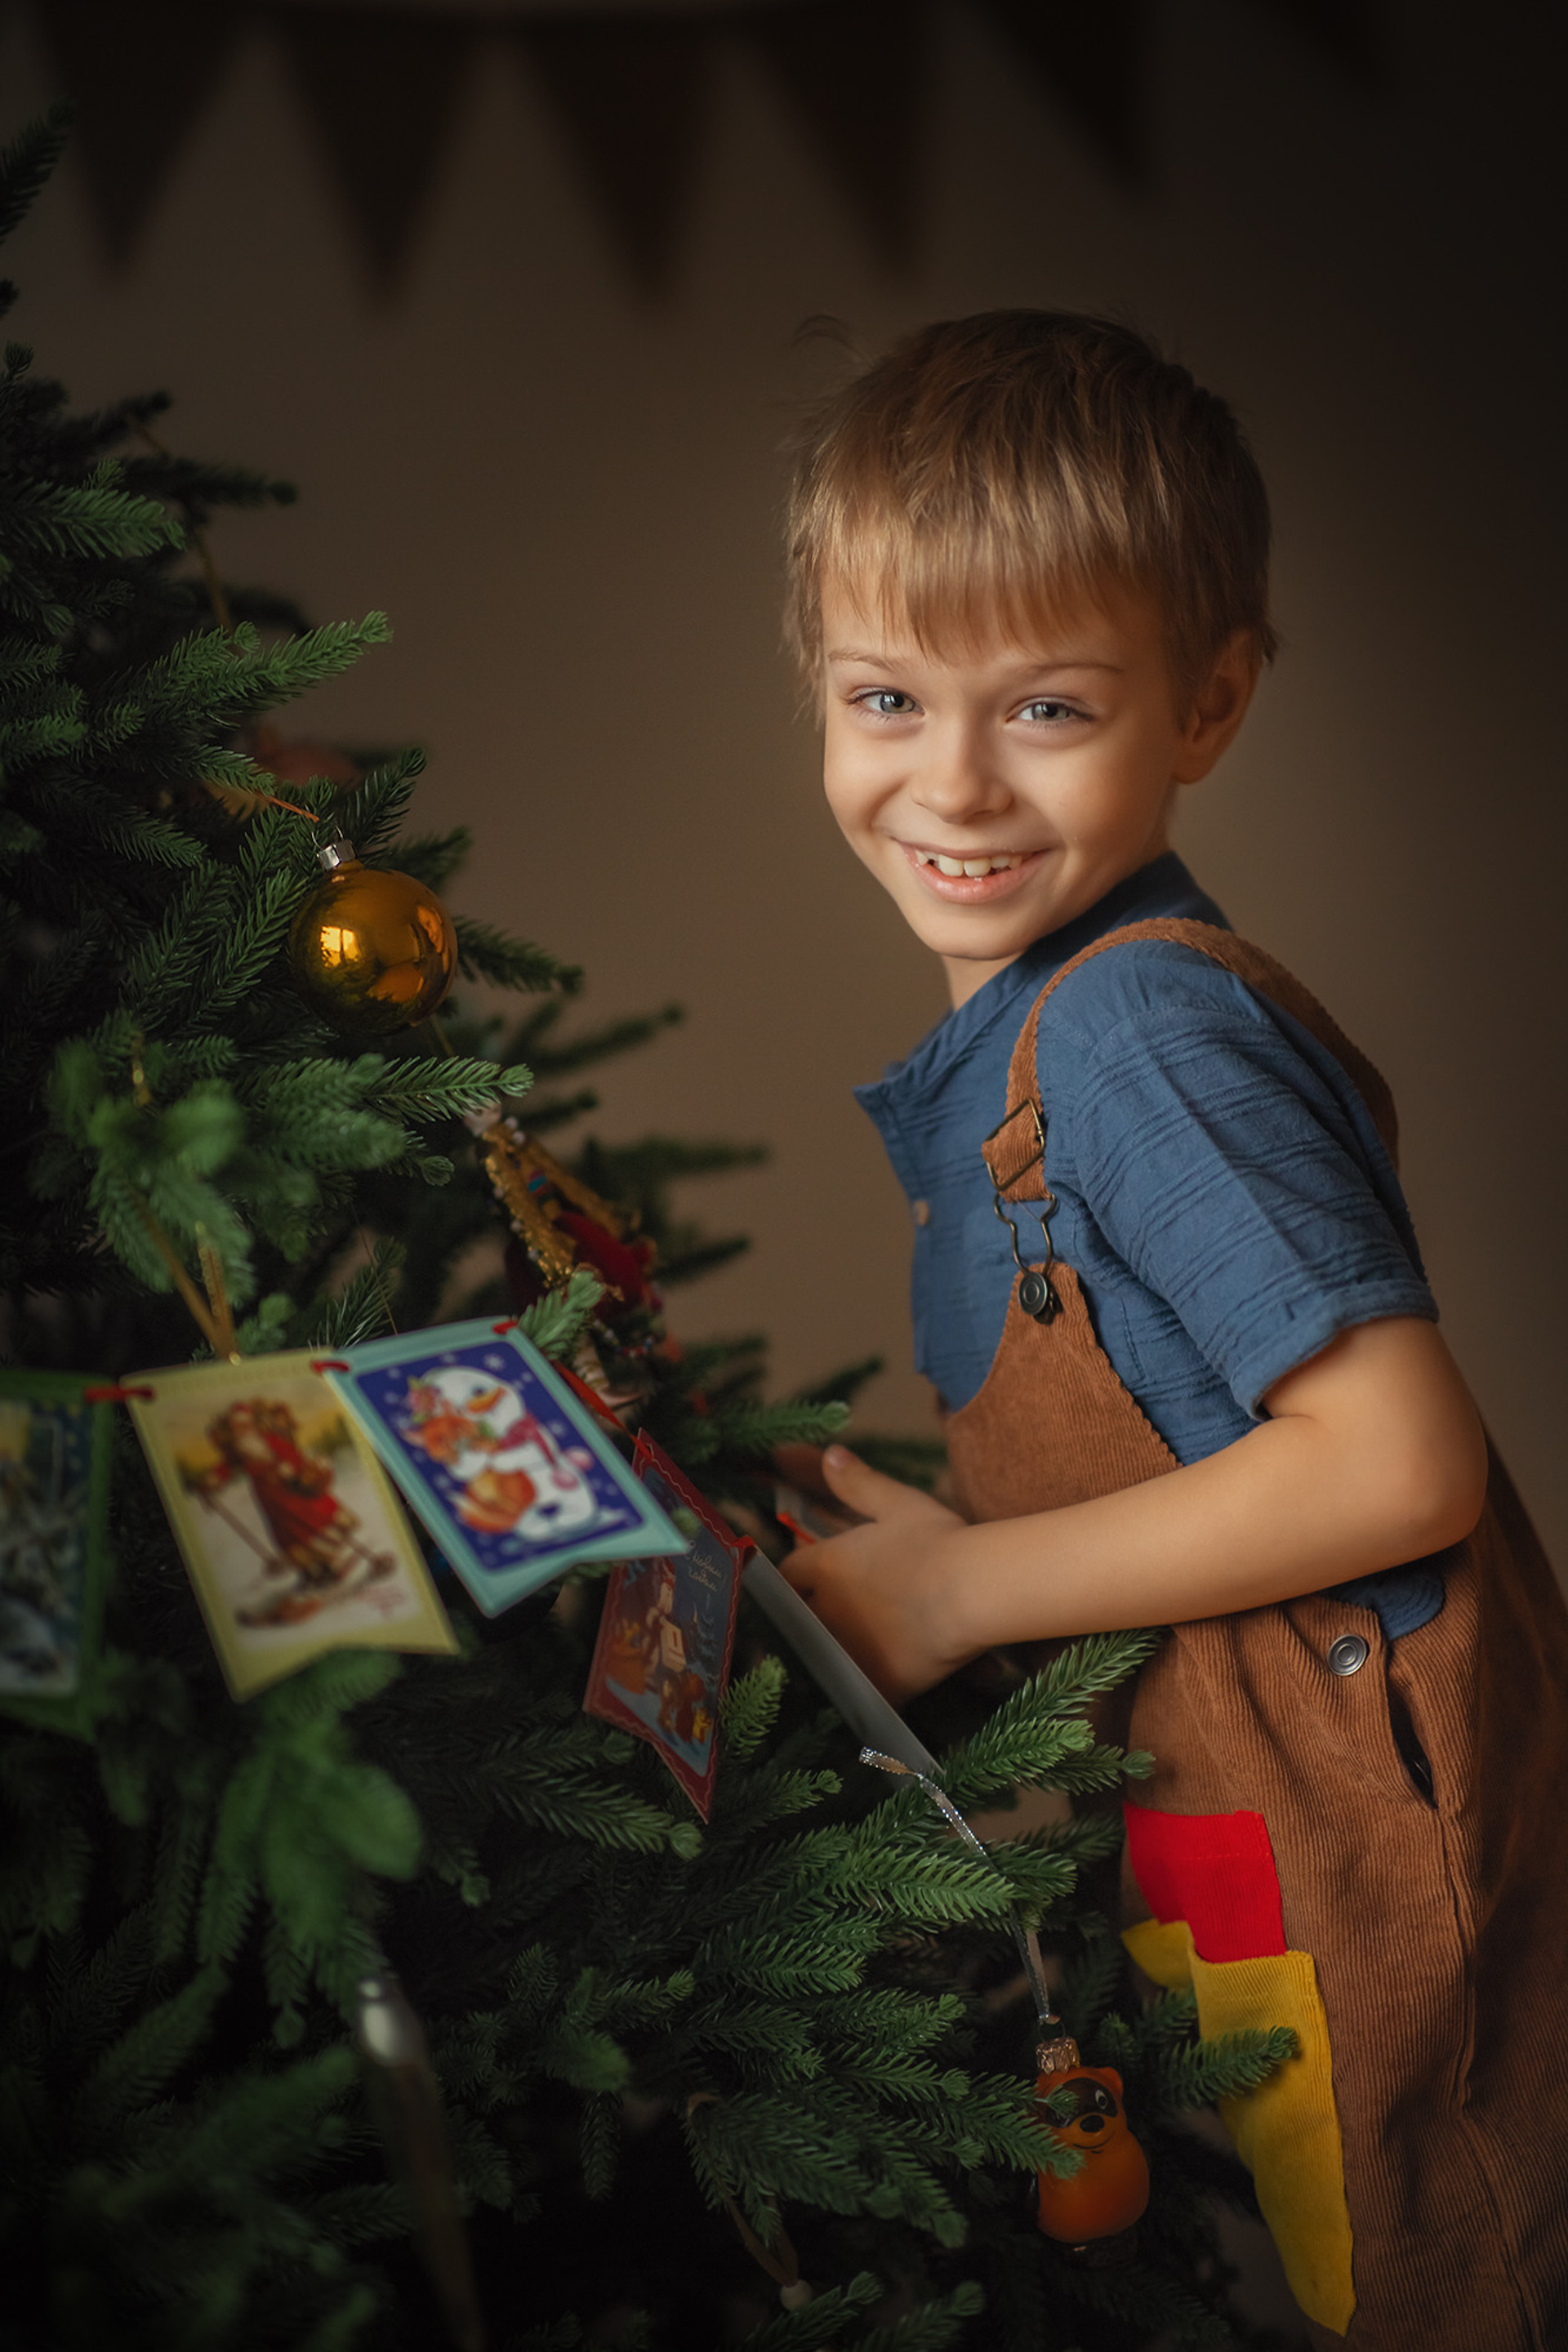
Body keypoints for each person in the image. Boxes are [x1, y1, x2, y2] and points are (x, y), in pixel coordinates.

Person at [775, 310, 1568, 2350]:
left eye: (1045, 707)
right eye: (884, 695)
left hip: (1366, 1844)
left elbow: (1399, 1463)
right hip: (1219, 1824)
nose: (947, 780)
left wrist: (959, 1598)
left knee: (1442, 2276)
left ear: (1207, 704)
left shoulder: (1131, 1026)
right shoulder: (1019, 1047)